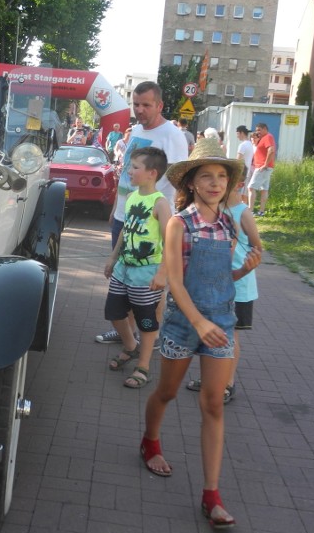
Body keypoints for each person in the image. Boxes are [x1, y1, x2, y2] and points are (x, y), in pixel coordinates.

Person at [140, 138, 261, 530]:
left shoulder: (228, 222)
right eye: (206, 176)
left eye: (221, 176)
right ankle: (150, 442)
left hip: (221, 324)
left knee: (213, 404)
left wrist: (244, 270)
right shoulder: (180, 223)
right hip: (182, 324)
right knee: (167, 393)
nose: (215, 183)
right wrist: (198, 323)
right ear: (190, 183)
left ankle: (212, 496)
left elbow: (221, 276)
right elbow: (175, 282)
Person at [95, 81, 188, 345]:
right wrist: (116, 207)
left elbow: (178, 178)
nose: (140, 110)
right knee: (124, 275)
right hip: (126, 216)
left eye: (146, 105)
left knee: (149, 281)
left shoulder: (172, 135)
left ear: (159, 105)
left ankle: (152, 334)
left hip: (151, 220)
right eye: (136, 104)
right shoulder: (135, 129)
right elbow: (126, 172)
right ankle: (128, 331)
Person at [186, 174, 262, 403]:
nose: (217, 184)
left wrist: (245, 265)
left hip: (239, 286)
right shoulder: (214, 209)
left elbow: (257, 246)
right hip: (214, 284)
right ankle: (212, 378)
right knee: (212, 332)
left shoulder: (243, 212)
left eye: (224, 179)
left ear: (237, 185)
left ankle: (227, 383)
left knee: (231, 335)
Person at [103, 147, 171, 388]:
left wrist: (163, 272)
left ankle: (143, 366)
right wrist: (113, 257)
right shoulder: (132, 197)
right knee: (113, 312)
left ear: (152, 173)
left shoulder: (160, 203)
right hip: (124, 267)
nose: (129, 171)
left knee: (146, 320)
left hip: (146, 272)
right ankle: (131, 347)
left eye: (134, 167)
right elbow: (125, 229)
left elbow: (170, 241)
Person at [248, 123, 275, 217]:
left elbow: (271, 150)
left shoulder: (268, 136)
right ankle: (261, 211)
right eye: (256, 130)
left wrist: (265, 164)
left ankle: (250, 211)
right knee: (264, 189)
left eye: (259, 130)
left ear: (265, 129)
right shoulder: (263, 138)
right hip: (263, 167)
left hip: (262, 167)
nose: (257, 132)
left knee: (251, 187)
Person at [235, 125, 254, 204]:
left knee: (237, 192)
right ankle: (245, 210)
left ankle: (237, 208)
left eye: (237, 134)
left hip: (241, 172)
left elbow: (238, 159)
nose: (237, 136)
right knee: (244, 193)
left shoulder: (242, 145)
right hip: (247, 171)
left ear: (241, 133)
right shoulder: (250, 144)